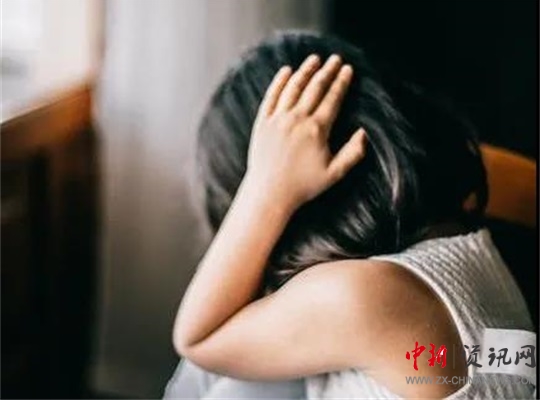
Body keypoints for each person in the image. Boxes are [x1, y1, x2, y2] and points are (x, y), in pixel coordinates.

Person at [163, 31, 535, 399]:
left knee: (220, 381)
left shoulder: (361, 296)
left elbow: (198, 340)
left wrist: (265, 185)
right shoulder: (454, 234)